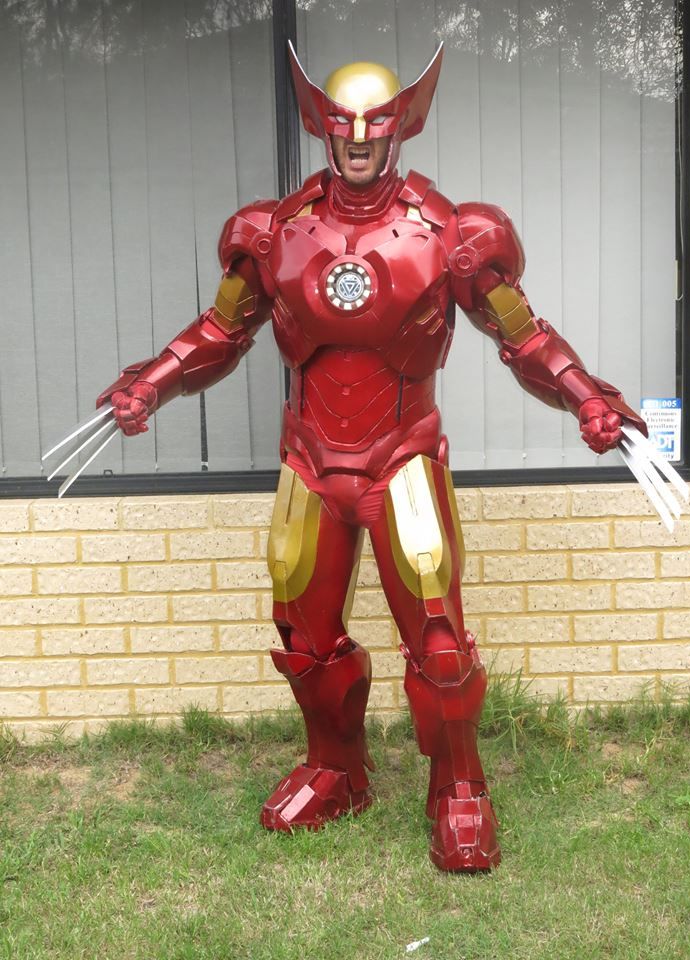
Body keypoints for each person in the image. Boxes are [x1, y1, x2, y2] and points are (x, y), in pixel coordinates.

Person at [91, 44, 648, 872]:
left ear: (401, 125)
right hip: (310, 463)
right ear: (322, 126)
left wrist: (585, 397)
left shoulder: (454, 234)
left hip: (402, 461)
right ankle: (337, 771)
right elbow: (221, 331)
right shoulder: (272, 234)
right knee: (303, 632)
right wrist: (152, 383)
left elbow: (523, 335)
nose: (357, 140)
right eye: (343, 125)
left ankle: (459, 788)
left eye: (373, 124)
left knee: (439, 640)